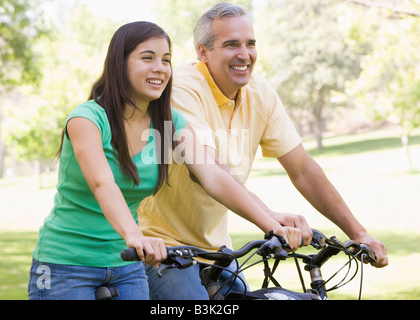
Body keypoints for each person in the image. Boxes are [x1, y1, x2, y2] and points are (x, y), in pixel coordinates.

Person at [28, 21, 302, 300]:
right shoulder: (87, 119)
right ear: (119, 64)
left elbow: (215, 177)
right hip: (66, 264)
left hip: (127, 265)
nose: (160, 67)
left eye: (166, 60)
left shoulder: (168, 123)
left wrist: (269, 224)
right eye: (147, 58)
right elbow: (102, 184)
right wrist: (134, 235)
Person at [138, 3, 389, 300]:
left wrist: (358, 233)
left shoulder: (261, 93)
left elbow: (303, 168)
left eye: (250, 44)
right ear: (203, 53)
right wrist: (270, 221)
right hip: (159, 246)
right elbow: (209, 172)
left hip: (217, 250)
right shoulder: (182, 87)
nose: (244, 54)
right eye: (231, 44)